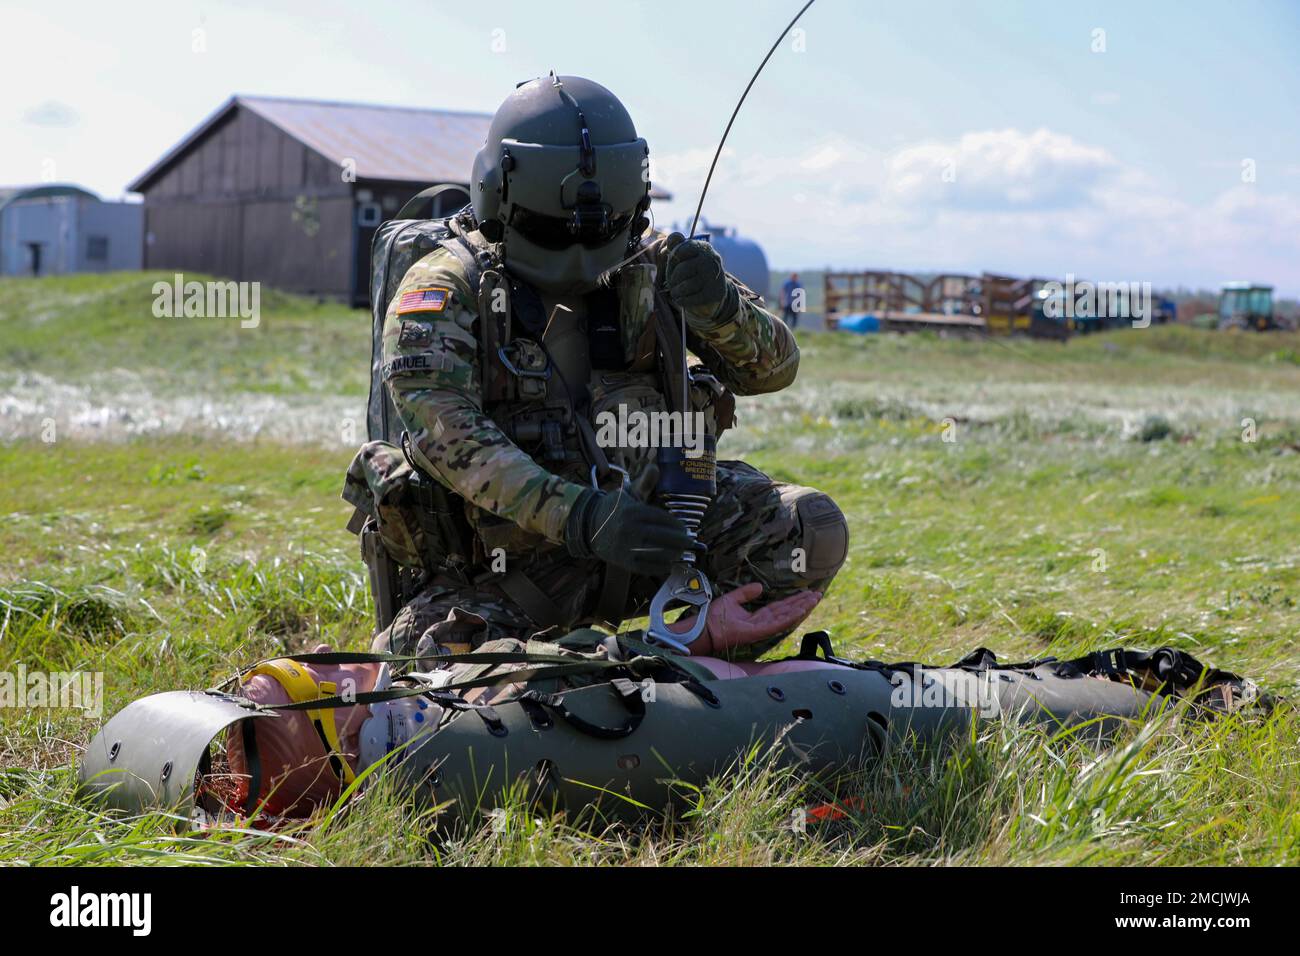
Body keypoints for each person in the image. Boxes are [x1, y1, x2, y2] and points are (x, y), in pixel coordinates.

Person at [363, 74, 848, 663]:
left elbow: (774, 369)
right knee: (442, 658)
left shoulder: (659, 265)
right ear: (497, 198)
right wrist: (581, 516)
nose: (579, 259)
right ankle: (613, 663)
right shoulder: (445, 286)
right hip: (500, 573)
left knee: (809, 530)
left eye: (603, 233)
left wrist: (720, 309)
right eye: (551, 232)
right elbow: (446, 434)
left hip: (658, 538)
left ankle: (682, 650)